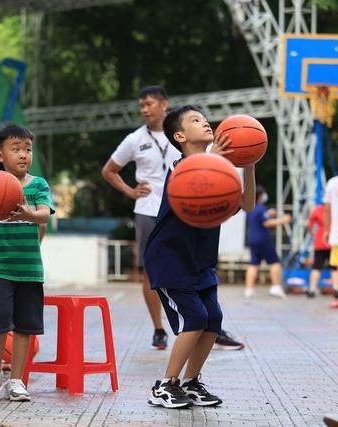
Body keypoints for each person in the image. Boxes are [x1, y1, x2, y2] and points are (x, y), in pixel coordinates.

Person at [145, 105, 256, 408]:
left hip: (200, 261)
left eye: (205, 119)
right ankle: (164, 385)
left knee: (213, 320)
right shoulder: (180, 168)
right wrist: (218, 158)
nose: (206, 123)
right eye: (196, 120)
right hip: (170, 260)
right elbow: (192, 177)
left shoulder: (219, 172)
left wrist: (248, 163)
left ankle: (191, 382)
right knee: (193, 319)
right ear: (179, 136)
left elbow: (246, 204)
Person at [0, 124, 54, 402]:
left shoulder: (38, 184)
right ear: (1, 155)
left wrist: (29, 214)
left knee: (25, 325)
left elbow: (44, 215)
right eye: (15, 149)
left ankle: (16, 379)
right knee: (0, 316)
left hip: (29, 267)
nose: (23, 155)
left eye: (27, 149)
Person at [102, 86, 181, 350]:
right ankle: (159, 328)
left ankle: (196, 322)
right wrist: (130, 191)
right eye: (141, 106)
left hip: (181, 208)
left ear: (164, 105)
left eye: (149, 104)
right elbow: (109, 170)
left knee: (187, 265)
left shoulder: (181, 132)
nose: (145, 109)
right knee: (151, 270)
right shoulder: (135, 139)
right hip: (147, 210)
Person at [244, 186, 291, 299]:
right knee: (275, 262)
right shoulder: (261, 208)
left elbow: (260, 218)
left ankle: (249, 289)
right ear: (260, 196)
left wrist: (268, 213)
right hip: (263, 239)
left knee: (253, 264)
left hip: (252, 239)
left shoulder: (250, 208)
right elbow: (266, 223)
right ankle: (275, 287)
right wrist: (283, 220)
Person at [308, 203, 332, 298]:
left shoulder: (317, 209)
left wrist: (313, 234)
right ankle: (336, 288)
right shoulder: (334, 208)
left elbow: (310, 225)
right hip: (333, 241)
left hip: (320, 241)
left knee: (316, 267)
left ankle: (312, 289)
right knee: (335, 267)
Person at [322, 176, 338, 308]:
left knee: (335, 266)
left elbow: (327, 209)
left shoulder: (332, 183)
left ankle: (337, 296)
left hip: (336, 233)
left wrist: (326, 230)